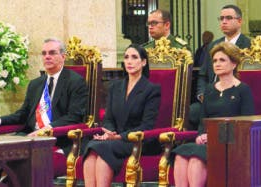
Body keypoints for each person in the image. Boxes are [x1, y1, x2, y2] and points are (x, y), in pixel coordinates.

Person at [0, 38, 88, 174]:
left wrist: (47, 129)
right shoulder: (36, 84)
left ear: (63, 57)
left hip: (58, 139)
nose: (47, 56)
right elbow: (23, 114)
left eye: (52, 53)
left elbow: (74, 117)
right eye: (44, 53)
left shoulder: (75, 82)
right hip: (29, 136)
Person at [172, 42, 255, 187]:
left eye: (222, 60)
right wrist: (200, 135)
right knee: (181, 155)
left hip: (231, 144)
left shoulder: (243, 90)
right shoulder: (210, 90)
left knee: (196, 159)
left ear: (234, 64)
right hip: (207, 142)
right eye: (215, 60)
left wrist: (213, 136)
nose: (217, 64)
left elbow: (246, 127)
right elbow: (203, 121)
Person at [82, 44, 161, 187]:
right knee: (92, 147)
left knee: (102, 149)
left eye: (134, 57)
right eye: (126, 57)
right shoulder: (115, 87)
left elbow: (147, 125)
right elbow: (108, 118)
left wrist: (118, 137)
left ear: (143, 62)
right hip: (114, 140)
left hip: (139, 141)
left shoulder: (151, 89)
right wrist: (109, 133)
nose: (129, 61)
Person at [189, 4, 251, 130]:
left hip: (234, 96)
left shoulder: (250, 45)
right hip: (211, 95)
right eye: (221, 18)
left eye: (228, 18)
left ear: (239, 21)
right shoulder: (213, 45)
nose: (224, 21)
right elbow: (202, 74)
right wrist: (202, 93)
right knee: (192, 111)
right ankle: (199, 139)